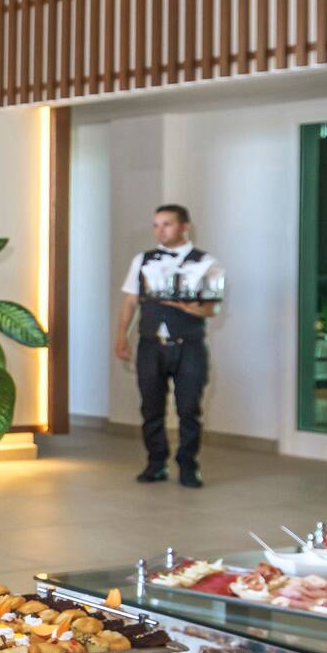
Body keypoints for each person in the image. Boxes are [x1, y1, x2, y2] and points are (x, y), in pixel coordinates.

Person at [114, 204, 224, 487]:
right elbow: (129, 300)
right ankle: (156, 463)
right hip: (151, 344)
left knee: (189, 408)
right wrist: (121, 335)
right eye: (156, 225)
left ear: (184, 227)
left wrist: (190, 308)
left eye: (167, 224)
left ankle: (188, 466)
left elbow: (212, 309)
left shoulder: (207, 262)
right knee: (151, 407)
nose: (160, 230)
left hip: (189, 344)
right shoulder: (142, 259)